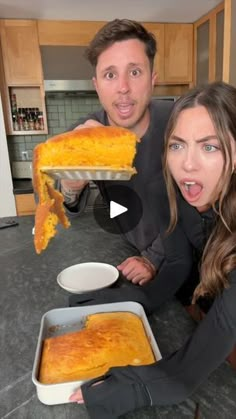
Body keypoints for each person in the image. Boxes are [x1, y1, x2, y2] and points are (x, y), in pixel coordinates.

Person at [69, 81, 236, 418]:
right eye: (177, 145)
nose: (187, 165)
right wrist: (119, 301)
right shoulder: (180, 194)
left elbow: (183, 376)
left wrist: (137, 386)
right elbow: (177, 262)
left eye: (209, 147)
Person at [60, 19, 174, 285]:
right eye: (110, 75)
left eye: (134, 72)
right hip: (130, 258)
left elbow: (207, 207)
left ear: (153, 79)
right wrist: (71, 186)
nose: (123, 87)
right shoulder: (85, 133)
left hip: (192, 269)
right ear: (96, 85)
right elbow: (62, 209)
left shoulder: (179, 124)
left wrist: (154, 257)